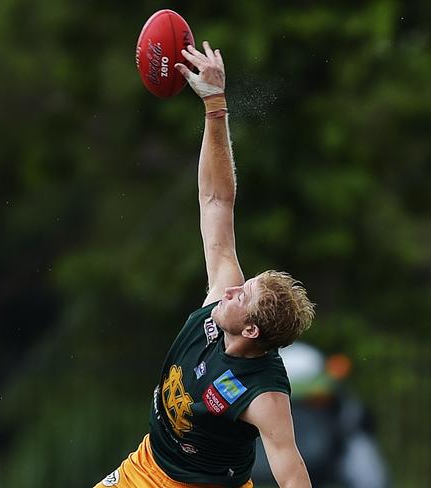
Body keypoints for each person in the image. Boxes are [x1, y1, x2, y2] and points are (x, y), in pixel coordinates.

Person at [94, 42, 315, 488]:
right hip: (148, 467)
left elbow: (292, 476)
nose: (231, 288)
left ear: (251, 330)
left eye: (242, 296)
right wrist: (215, 105)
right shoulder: (223, 299)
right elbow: (217, 200)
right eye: (242, 285)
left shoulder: (265, 393)